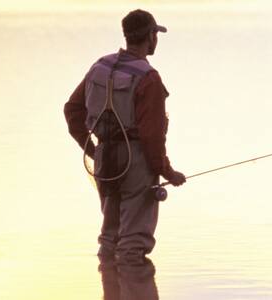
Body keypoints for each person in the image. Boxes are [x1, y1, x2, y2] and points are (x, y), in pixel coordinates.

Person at [64, 9, 186, 260]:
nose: (156, 40)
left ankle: (110, 288)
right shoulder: (149, 78)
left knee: (109, 236)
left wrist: (93, 150)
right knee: (133, 243)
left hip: (105, 158)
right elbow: (152, 138)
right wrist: (168, 172)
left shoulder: (100, 67)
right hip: (137, 164)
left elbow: (72, 110)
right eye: (156, 34)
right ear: (151, 36)